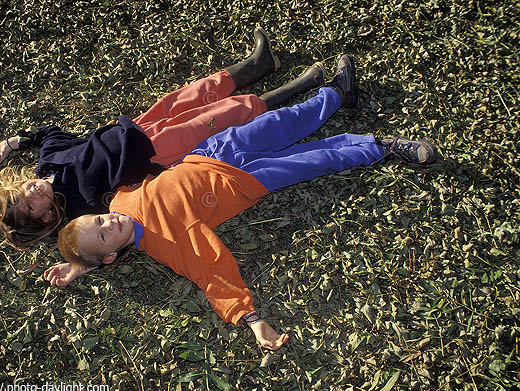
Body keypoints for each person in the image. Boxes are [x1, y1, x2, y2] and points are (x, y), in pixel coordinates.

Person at [46, 55, 437, 350]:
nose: (107, 224)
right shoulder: (166, 242)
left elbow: (91, 190)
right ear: (112, 256)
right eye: (103, 237)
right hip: (246, 182)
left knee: (282, 122)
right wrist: (249, 319)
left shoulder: (122, 196)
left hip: (214, 151)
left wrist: (79, 262)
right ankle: (379, 147)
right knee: (312, 160)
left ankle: (335, 94)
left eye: (98, 221)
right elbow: (212, 272)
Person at [0, 27, 329, 250]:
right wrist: (76, 267)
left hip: (134, 127)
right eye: (29, 205)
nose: (31, 192)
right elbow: (107, 244)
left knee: (197, 93)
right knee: (220, 117)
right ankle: (301, 87)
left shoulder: (47, 162)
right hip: (154, 153)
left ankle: (258, 64)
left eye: (22, 191)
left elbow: (49, 135)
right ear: (44, 218)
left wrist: (15, 142)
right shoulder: (77, 212)